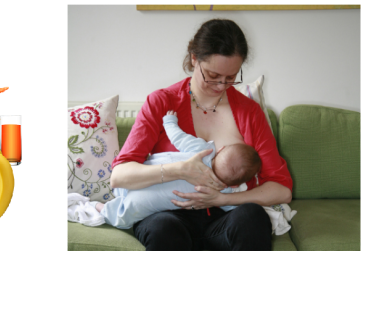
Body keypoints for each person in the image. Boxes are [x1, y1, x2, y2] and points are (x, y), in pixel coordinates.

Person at [109, 19, 293, 251]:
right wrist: (179, 170)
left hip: (224, 217)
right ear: (194, 58)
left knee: (252, 217)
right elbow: (119, 176)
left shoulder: (249, 111)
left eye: (231, 77)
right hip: (166, 214)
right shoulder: (162, 102)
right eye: (212, 75)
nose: (221, 85)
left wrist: (223, 199)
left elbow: (281, 189)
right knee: (162, 228)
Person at [68, 110, 261, 229]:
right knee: (122, 217)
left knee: (131, 191)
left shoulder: (204, 150)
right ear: (236, 183)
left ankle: (101, 201)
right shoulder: (222, 190)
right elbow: (231, 208)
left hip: (141, 174)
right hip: (141, 200)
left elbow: (178, 137)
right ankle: (97, 207)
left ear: (222, 149)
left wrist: (169, 121)